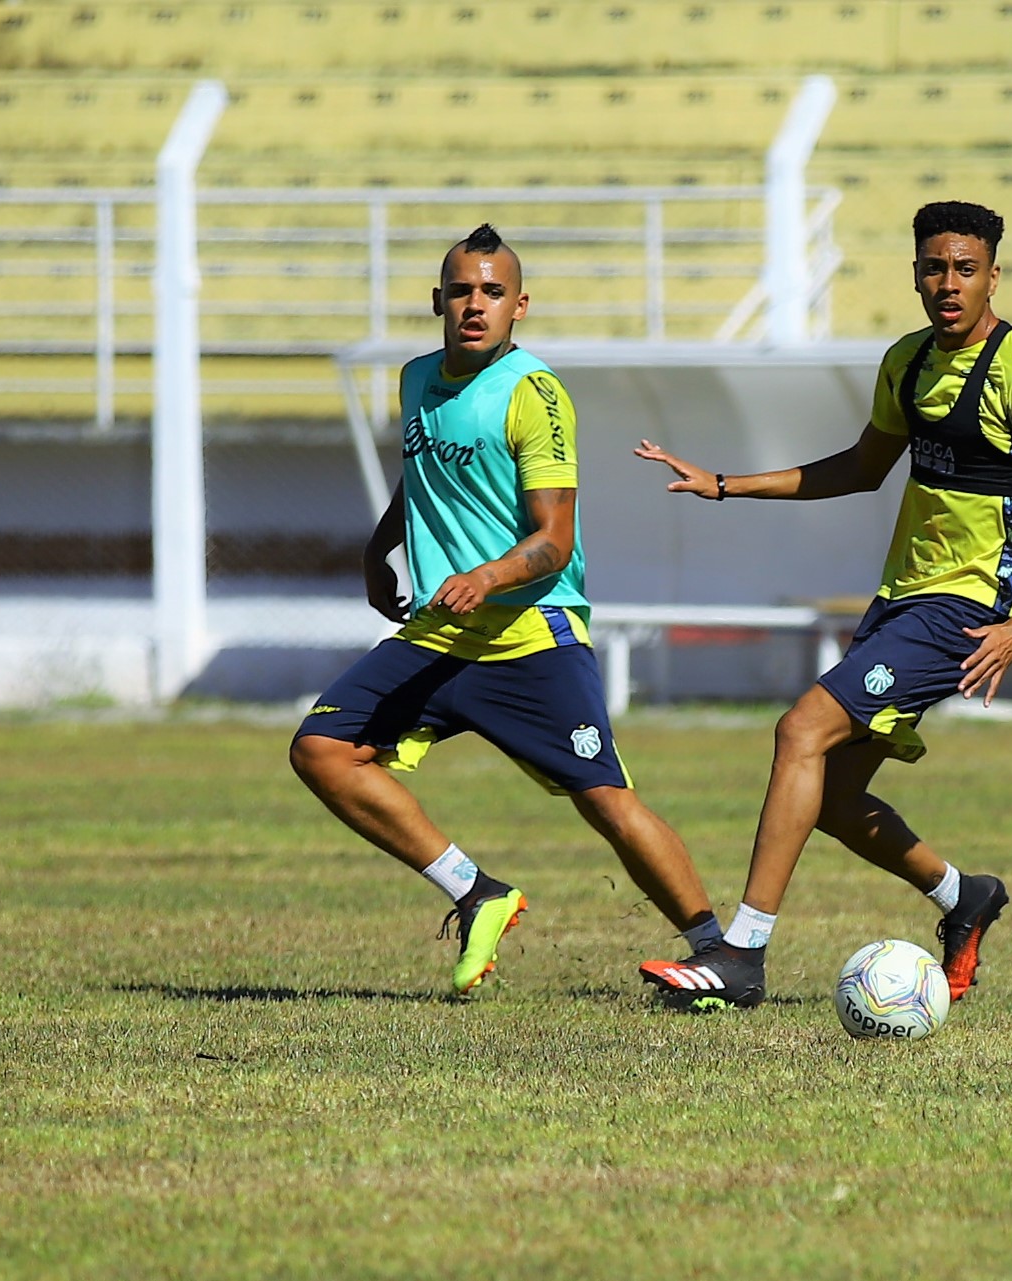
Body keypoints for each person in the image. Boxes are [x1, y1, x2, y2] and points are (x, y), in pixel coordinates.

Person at [632, 201, 1012, 1012]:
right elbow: (861, 466)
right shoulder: (907, 362)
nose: (948, 283)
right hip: (900, 599)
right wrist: (725, 484)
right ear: (916, 274)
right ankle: (964, 895)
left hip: (965, 604)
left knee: (800, 730)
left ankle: (742, 954)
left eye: (965, 268)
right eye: (934, 267)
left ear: (994, 274)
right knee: (833, 797)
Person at [289, 224, 725, 995]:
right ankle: (478, 890)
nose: (475, 305)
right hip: (442, 632)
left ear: (520, 305)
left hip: (531, 632)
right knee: (323, 747)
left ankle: (719, 949)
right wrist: (379, 544)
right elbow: (424, 477)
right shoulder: (417, 378)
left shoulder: (535, 393)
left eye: (492, 292)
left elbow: (553, 541)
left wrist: (487, 578)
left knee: (607, 802)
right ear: (438, 301)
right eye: (461, 291)